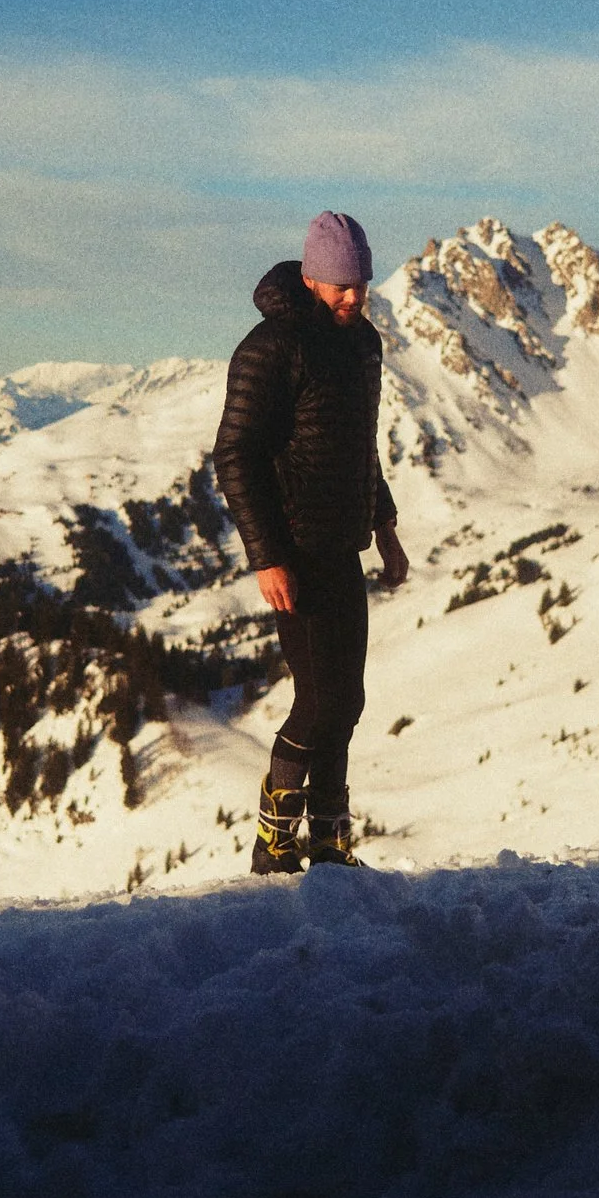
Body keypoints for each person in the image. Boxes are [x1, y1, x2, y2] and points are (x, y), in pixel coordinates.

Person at [214, 210, 410, 873]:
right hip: (294, 550)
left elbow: (360, 450)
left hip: (342, 545)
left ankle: (329, 842)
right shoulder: (271, 348)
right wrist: (266, 555)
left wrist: (384, 528)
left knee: (346, 700)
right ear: (311, 278)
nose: (355, 295)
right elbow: (235, 454)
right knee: (320, 699)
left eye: (362, 282)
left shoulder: (362, 347)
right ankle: (275, 836)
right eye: (341, 285)